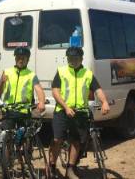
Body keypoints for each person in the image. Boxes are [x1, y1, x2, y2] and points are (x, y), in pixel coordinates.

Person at [48, 47, 111, 179]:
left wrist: (104, 101)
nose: (73, 61)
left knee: (76, 141)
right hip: (62, 110)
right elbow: (55, 91)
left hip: (80, 112)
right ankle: (52, 166)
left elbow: (97, 89)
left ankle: (70, 169)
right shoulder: (61, 71)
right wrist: (65, 107)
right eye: (70, 58)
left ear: (81, 59)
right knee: (57, 139)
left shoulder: (87, 74)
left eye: (76, 58)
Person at [0, 46, 46, 128]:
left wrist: (41, 102)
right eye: (18, 58)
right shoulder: (7, 72)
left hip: (24, 110)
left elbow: (39, 89)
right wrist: (1, 83)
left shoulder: (31, 75)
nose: (20, 60)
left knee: (23, 137)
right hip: (8, 110)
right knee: (6, 136)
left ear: (27, 60)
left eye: (23, 58)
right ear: (15, 58)